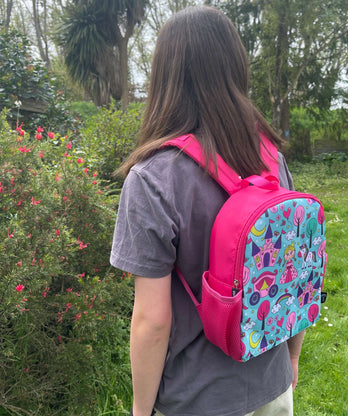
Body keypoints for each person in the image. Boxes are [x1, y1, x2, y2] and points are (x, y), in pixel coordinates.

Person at [110, 6, 305, 416]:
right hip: (272, 385)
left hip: (195, 399)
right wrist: (291, 359)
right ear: (236, 67)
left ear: (165, 75)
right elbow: (293, 277)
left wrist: (140, 411)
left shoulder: (152, 179)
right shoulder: (271, 157)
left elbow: (153, 320)